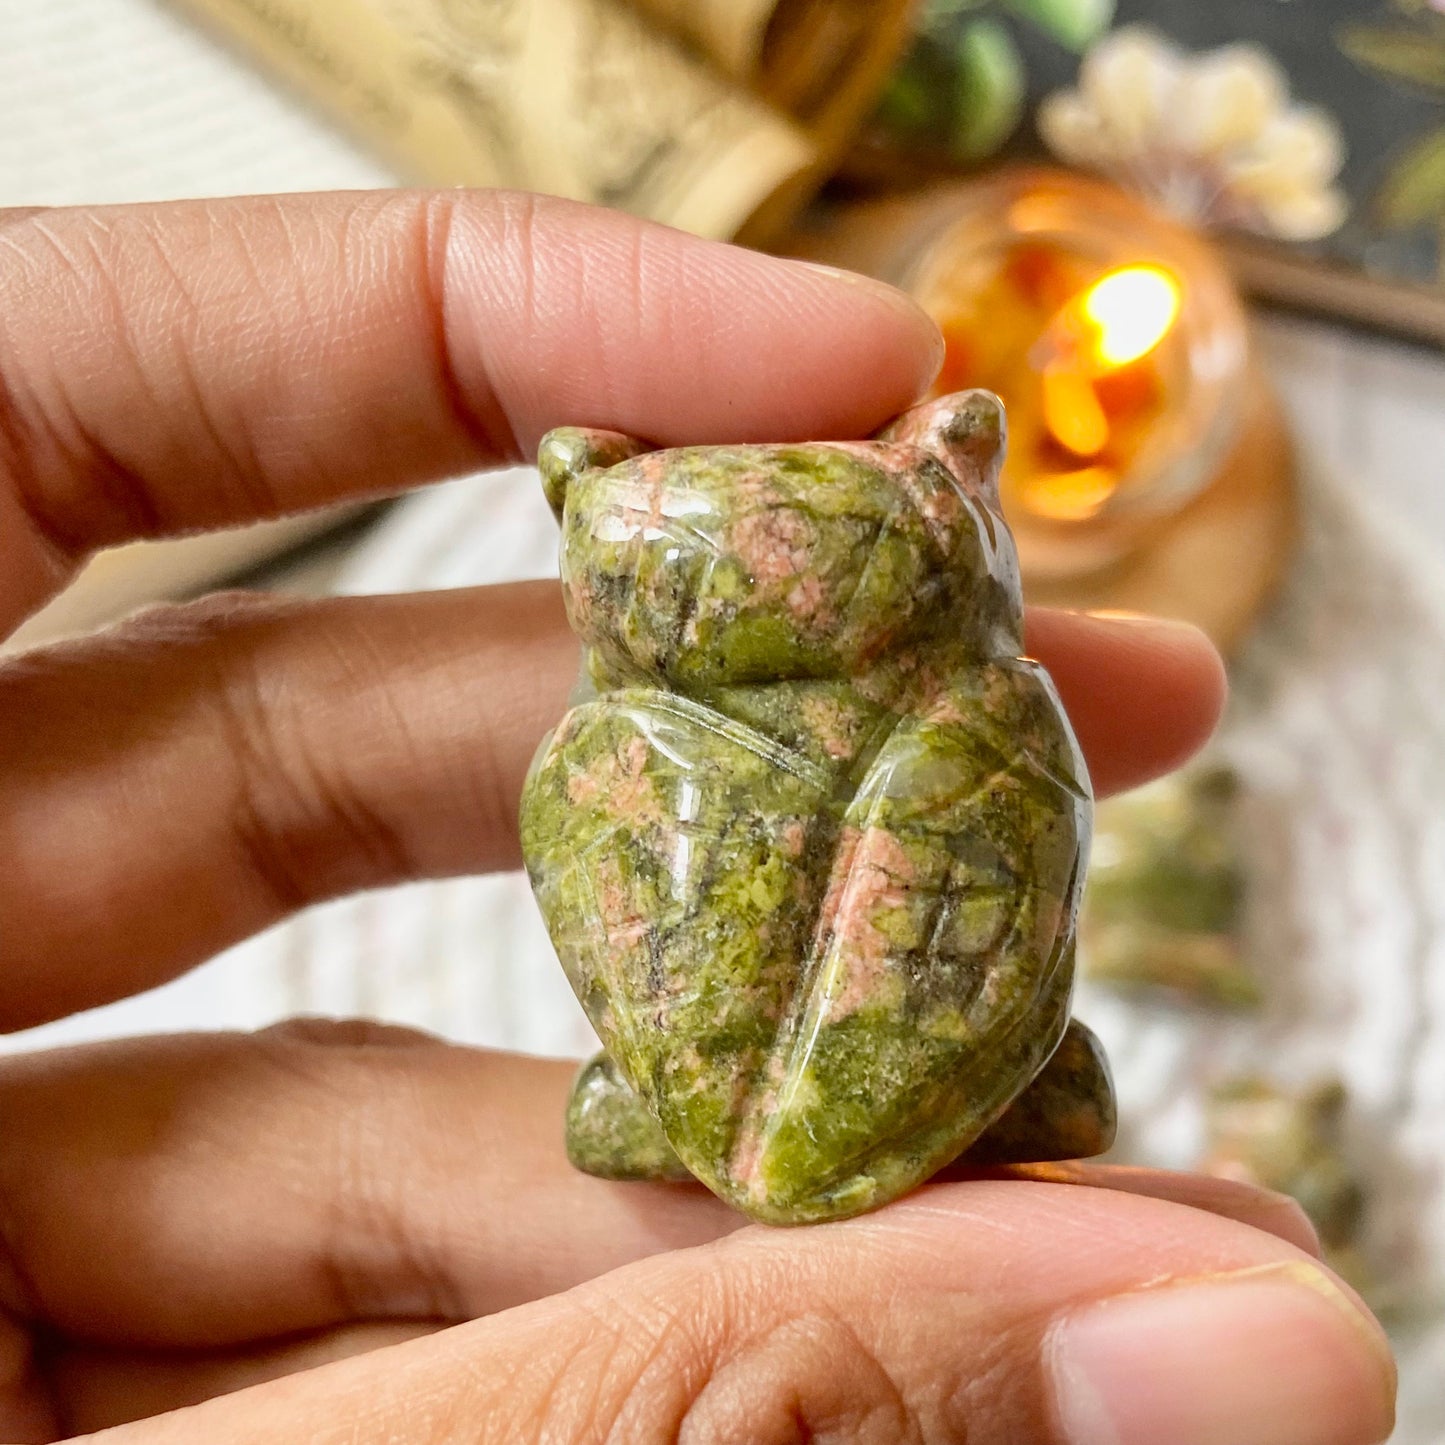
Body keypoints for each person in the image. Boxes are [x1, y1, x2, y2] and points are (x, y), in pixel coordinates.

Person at [0, 190, 1394, 1445]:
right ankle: (752, 1114)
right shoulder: (630, 743)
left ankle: (756, 1115)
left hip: (870, 1070)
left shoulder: (937, 722)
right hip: (777, 1082)